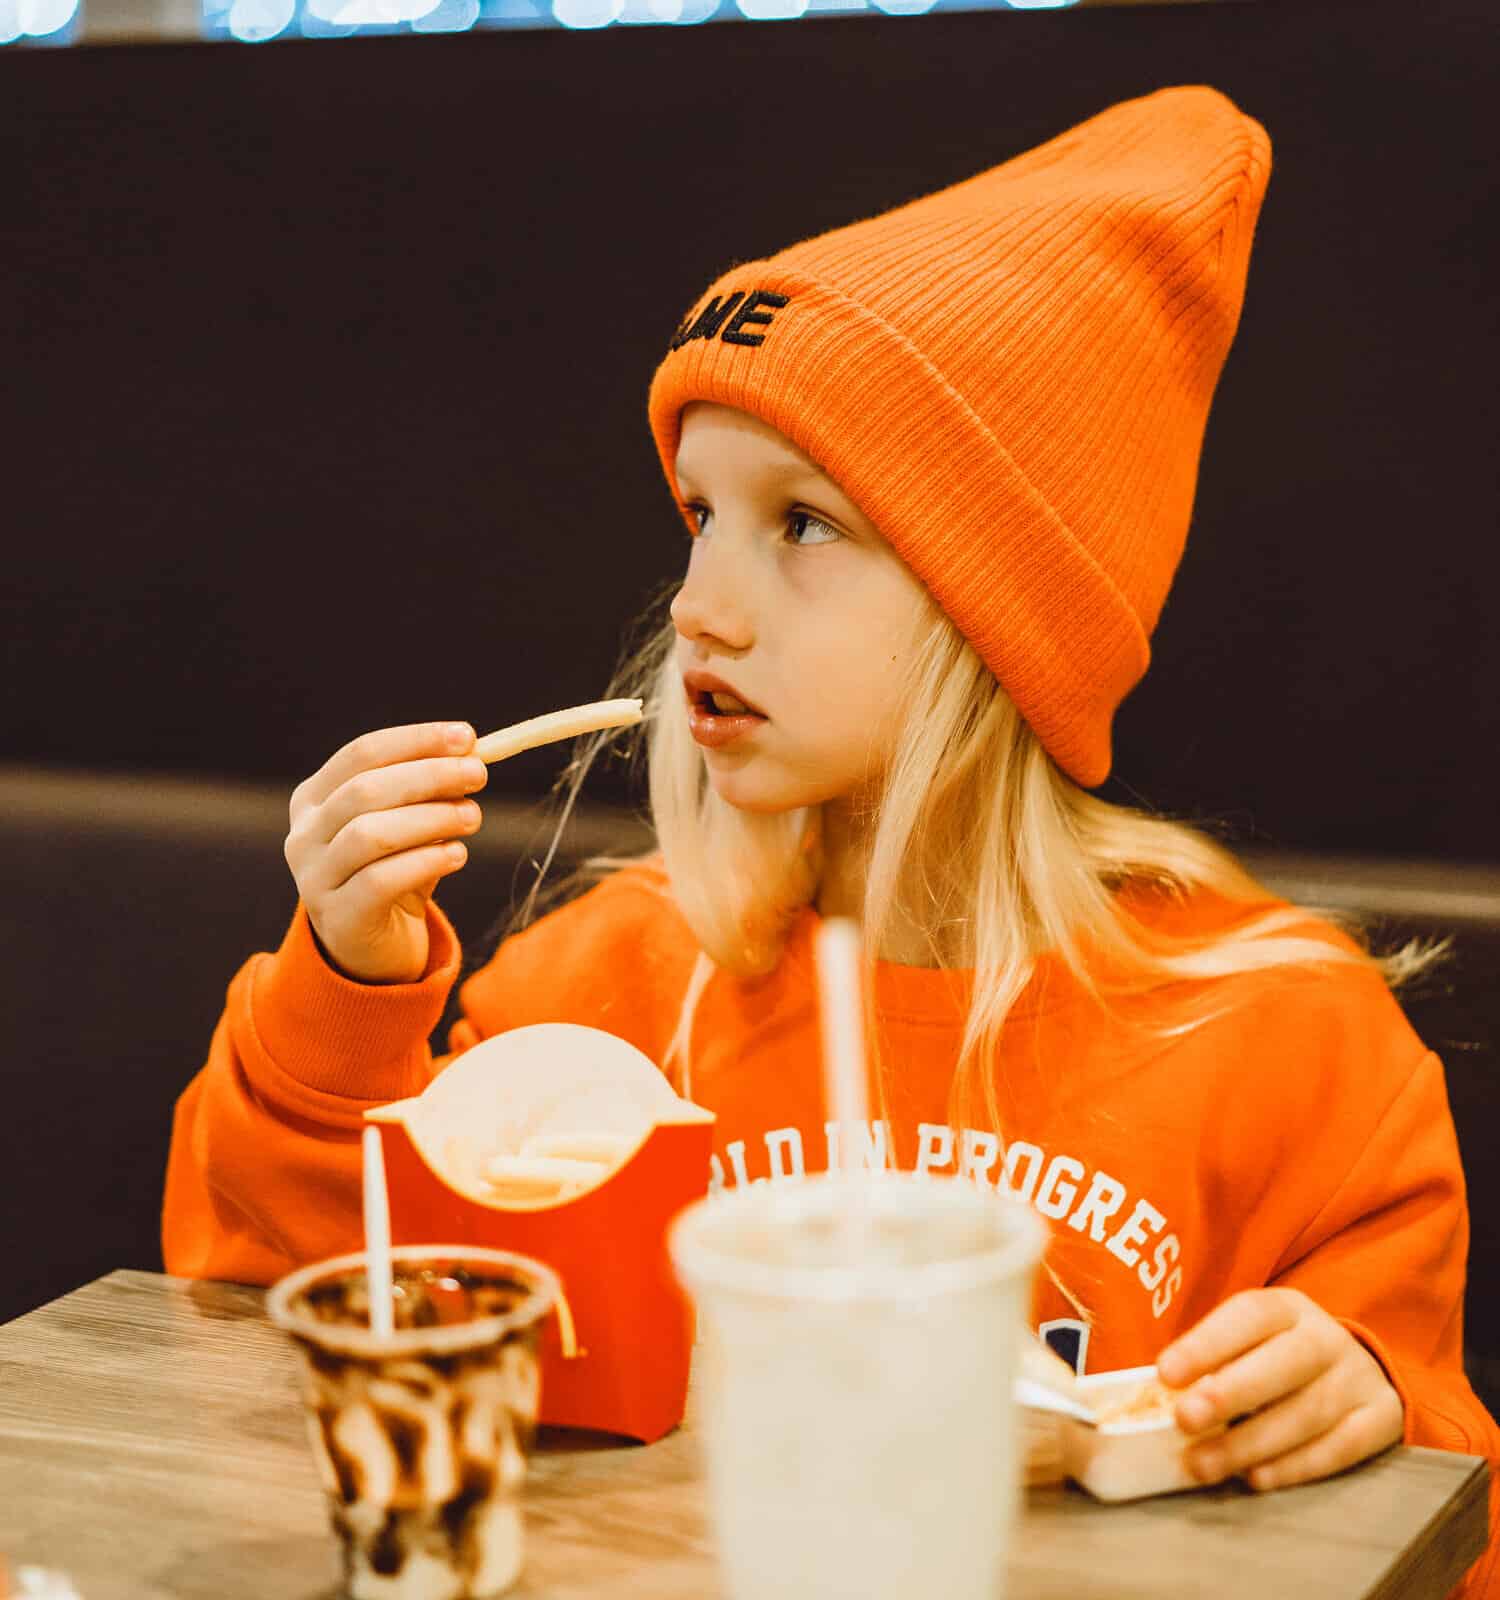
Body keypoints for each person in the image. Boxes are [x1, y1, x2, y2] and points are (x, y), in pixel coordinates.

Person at [163, 84, 1497, 1591]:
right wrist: (347, 994)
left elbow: (1444, 1503)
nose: (700, 609)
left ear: (1009, 617)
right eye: (698, 516)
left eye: (803, 523)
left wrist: (1374, 1397)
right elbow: (283, 1337)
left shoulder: (1288, 1041)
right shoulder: (597, 996)